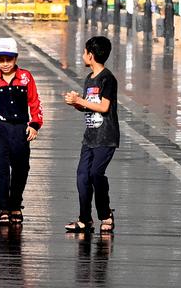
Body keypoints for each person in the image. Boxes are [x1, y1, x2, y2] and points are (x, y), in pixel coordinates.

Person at [63, 36, 118, 234]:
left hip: (106, 137)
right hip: (90, 137)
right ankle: (85, 219)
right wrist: (76, 103)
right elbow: (89, 107)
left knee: (96, 173)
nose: (83, 55)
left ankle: (105, 214)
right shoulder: (89, 79)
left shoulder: (107, 78)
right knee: (82, 176)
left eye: (85, 52)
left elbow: (103, 107)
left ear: (91, 55)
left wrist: (81, 100)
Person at [0, 37, 43, 225]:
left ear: (16, 58)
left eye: (8, 59)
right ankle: (3, 208)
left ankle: (15, 205)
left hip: (21, 129)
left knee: (21, 168)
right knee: (1, 169)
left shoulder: (26, 77)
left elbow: (35, 102)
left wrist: (35, 124)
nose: (4, 64)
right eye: (0, 60)